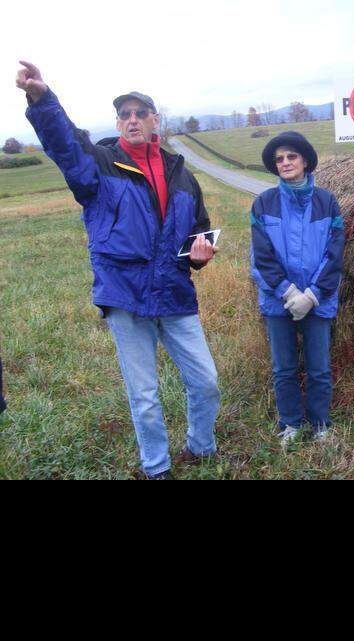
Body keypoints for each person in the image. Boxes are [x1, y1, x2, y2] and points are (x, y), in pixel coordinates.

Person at [16, 61, 220, 479]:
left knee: (206, 382)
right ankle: (156, 466)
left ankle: (201, 447)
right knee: (144, 394)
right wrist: (42, 98)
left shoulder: (181, 174)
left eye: (139, 113)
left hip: (174, 293)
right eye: (124, 114)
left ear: (154, 121)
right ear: (118, 122)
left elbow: (198, 229)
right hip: (125, 294)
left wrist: (201, 252)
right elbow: (64, 143)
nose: (131, 120)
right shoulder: (98, 167)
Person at [249, 132, 345, 446]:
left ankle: (320, 425)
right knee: (284, 369)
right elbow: (262, 256)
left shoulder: (327, 201)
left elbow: (335, 253)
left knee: (318, 368)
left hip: (318, 301)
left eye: (291, 156)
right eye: (279, 159)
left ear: (305, 161)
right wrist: (289, 294)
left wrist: (313, 294)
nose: (286, 162)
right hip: (279, 302)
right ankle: (290, 424)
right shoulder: (263, 203)